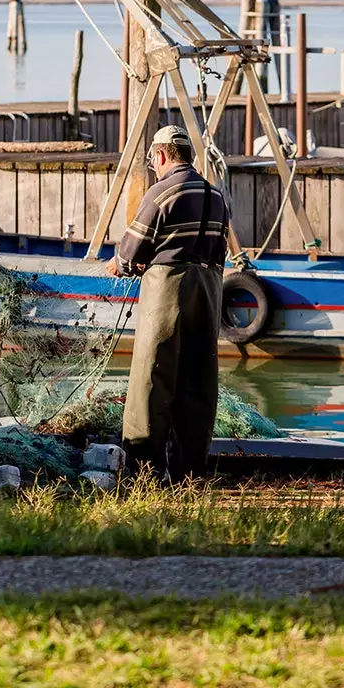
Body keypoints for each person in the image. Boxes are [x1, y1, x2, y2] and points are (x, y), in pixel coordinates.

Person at [105, 125, 231, 479]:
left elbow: (131, 251)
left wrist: (121, 264)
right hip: (209, 289)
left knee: (153, 375)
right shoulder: (216, 195)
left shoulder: (161, 192)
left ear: (161, 156)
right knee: (198, 377)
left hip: (168, 289)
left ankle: (143, 466)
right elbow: (219, 249)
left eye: (153, 161)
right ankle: (189, 468)